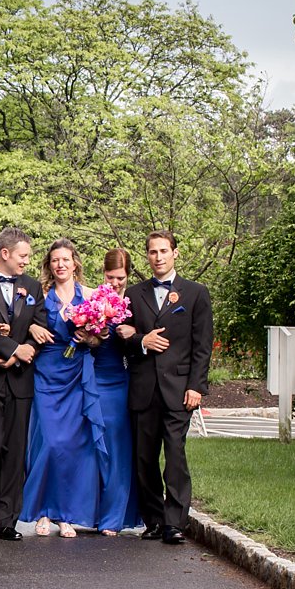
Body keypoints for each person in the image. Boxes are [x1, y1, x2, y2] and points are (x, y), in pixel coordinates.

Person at [124, 230, 213, 546]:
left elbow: (202, 346)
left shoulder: (196, 293)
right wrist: (141, 341)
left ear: (175, 253)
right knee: (144, 458)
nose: (158, 257)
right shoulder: (134, 294)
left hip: (178, 390)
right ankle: (153, 520)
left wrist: (196, 386)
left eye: (163, 250)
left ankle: (175, 523)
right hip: (144, 388)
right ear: (147, 256)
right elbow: (123, 339)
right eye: (152, 252)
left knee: (175, 455)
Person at [22, 239, 110, 538]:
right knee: (48, 442)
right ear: (49, 265)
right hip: (47, 373)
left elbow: (100, 341)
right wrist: (32, 328)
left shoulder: (91, 296)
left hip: (77, 375)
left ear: (75, 264)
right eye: (55, 260)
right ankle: (43, 511)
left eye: (66, 260)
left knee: (74, 446)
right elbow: (25, 325)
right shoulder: (40, 295)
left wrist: (89, 338)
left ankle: (65, 515)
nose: (60, 265)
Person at [0, 227, 50, 540]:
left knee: (14, 452)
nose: (27, 261)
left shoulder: (31, 286)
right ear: (5, 253)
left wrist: (20, 354)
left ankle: (5, 521)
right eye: (23, 255)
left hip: (19, 379)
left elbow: (40, 327)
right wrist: (9, 349)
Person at [92, 248, 142, 535]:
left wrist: (131, 334)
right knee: (95, 448)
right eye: (110, 277)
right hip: (95, 378)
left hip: (121, 379)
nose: (114, 283)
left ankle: (114, 516)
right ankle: (95, 511)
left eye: (120, 278)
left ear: (128, 275)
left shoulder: (135, 301)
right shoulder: (93, 300)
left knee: (120, 447)